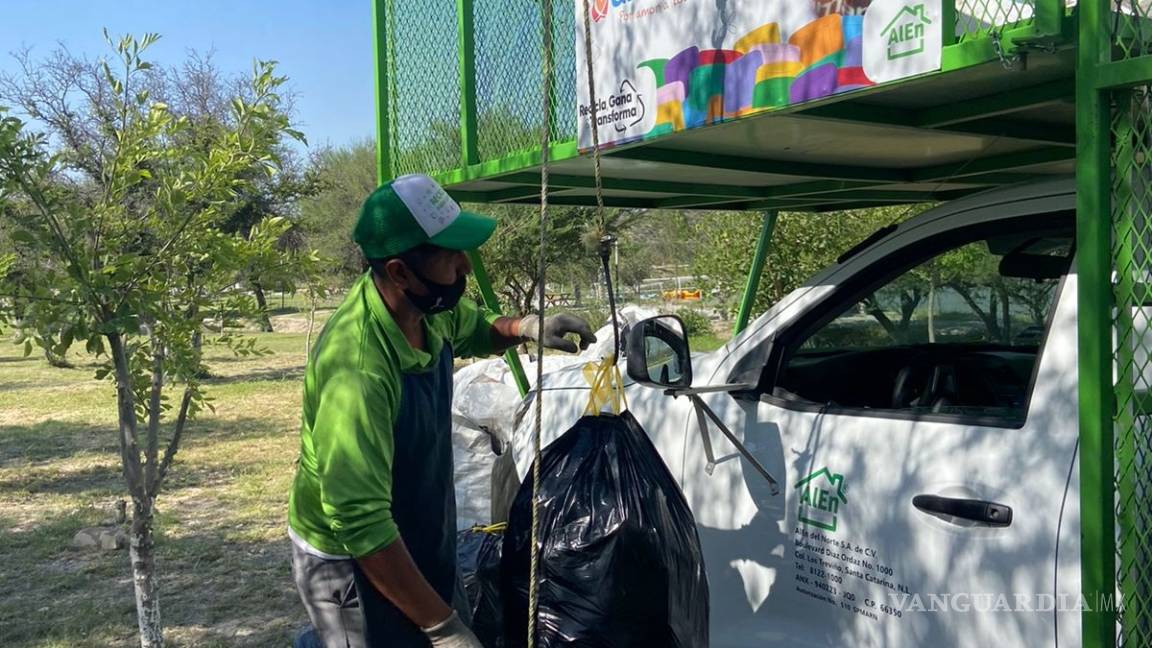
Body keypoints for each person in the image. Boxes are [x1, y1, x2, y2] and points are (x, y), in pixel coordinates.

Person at [288, 174, 596, 648]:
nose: (465, 265)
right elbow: (360, 523)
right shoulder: (358, 369)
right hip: (349, 558)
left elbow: (473, 329)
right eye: (450, 255)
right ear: (399, 272)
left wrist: (526, 326)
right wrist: (443, 627)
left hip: (415, 523)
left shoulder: (427, 308)